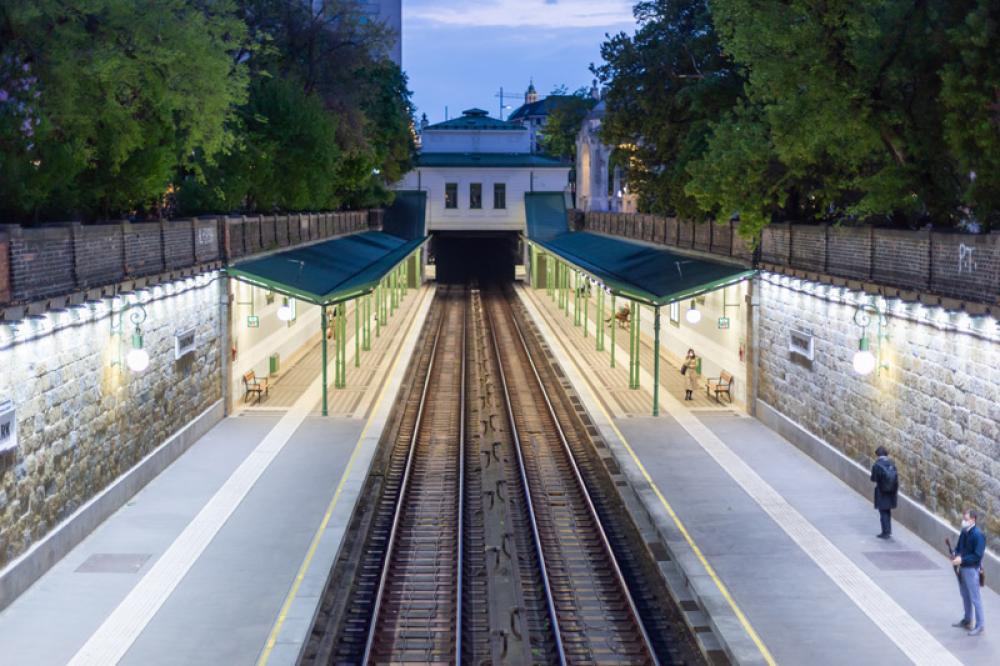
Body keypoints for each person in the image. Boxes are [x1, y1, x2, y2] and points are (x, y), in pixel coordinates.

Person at [951, 509, 986, 636]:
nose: (963, 521)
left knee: (975, 598)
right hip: (962, 567)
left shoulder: (978, 535)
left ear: (973, 519)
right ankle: (967, 619)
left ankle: (980, 625)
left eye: (966, 519)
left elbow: (977, 555)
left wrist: (962, 559)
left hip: (971, 569)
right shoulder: (964, 532)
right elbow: (959, 547)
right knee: (965, 595)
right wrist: (955, 554)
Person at [869, 446, 899, 538]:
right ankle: (888, 530)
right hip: (891, 492)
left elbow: (873, 479)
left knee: (883, 512)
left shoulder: (877, 465)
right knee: (888, 511)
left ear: (877, 454)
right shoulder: (892, 463)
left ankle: (885, 532)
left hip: (881, 491)